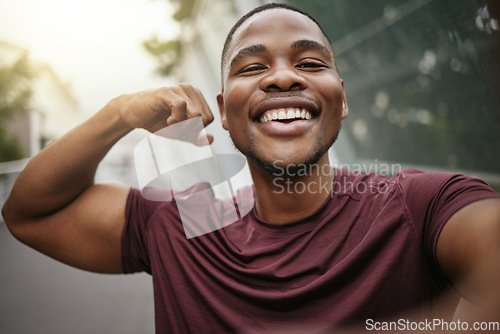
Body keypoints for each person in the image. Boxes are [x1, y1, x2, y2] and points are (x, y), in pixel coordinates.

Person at [2, 3, 500, 333]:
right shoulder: (186, 225)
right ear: (225, 107)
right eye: (252, 67)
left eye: (309, 63)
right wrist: (118, 113)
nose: (283, 76)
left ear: (341, 100)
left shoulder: (416, 205)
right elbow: (29, 214)